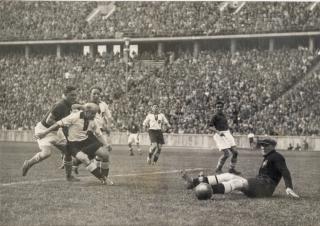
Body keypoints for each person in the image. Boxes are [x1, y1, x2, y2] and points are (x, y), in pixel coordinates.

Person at [181, 138, 300, 199]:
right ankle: (194, 182)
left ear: (273, 146)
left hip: (265, 188)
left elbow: (285, 171)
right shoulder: (269, 156)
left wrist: (289, 187)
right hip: (260, 184)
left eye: (266, 145)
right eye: (261, 145)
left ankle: (208, 190)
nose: (262, 147)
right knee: (228, 175)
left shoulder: (277, 156)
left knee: (237, 182)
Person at [35, 103, 112, 184]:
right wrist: (44, 133)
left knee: (105, 155)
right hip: (73, 144)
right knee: (84, 158)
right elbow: (57, 124)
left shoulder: (92, 120)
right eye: (93, 113)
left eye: (95, 113)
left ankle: (105, 177)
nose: (94, 115)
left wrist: (106, 144)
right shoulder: (74, 116)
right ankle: (103, 179)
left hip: (86, 141)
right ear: (86, 111)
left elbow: (98, 134)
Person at [22, 86, 79, 182]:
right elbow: (49, 121)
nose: (74, 97)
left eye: (75, 95)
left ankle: (69, 176)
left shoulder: (69, 104)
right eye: (71, 95)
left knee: (68, 152)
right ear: (65, 95)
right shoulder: (60, 104)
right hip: (44, 130)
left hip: (55, 130)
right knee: (46, 153)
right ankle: (28, 163)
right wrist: (63, 126)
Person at [208, 100, 241, 175]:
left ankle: (231, 169)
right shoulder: (214, 116)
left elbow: (224, 125)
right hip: (220, 135)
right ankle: (218, 169)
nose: (219, 108)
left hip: (227, 133)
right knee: (226, 154)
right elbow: (210, 127)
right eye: (217, 107)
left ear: (223, 107)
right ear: (215, 108)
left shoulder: (224, 115)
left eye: (220, 107)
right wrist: (218, 132)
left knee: (235, 153)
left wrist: (230, 130)